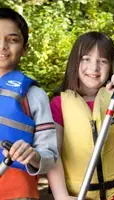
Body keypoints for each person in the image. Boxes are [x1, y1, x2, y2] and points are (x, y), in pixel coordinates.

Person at [48, 31, 114, 200]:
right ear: (74, 62)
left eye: (102, 61)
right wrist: (61, 195)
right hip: (79, 195)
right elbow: (52, 153)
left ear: (111, 66)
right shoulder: (59, 104)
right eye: (86, 59)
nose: (94, 68)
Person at [0, 7, 58, 200]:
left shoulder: (34, 95)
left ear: (24, 49)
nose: (3, 46)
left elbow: (50, 156)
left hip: (17, 193)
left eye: (12, 40)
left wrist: (33, 155)